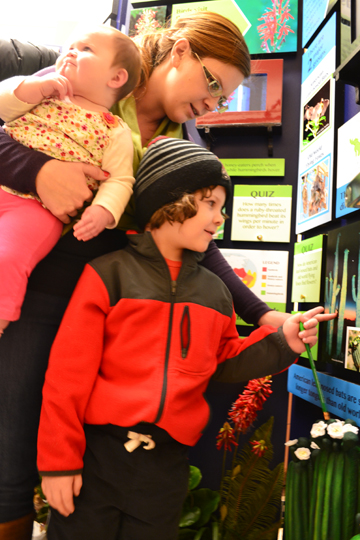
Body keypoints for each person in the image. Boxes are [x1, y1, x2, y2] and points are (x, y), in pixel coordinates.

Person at [0, 13, 288, 538]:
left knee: (88, 462)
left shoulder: (188, 140)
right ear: (178, 50)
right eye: (212, 85)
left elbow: (198, 244)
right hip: (36, 287)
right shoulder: (80, 65)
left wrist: (261, 313)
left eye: (222, 98)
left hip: (110, 307)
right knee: (11, 447)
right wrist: (38, 171)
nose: (212, 103)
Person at [37, 137, 335, 540]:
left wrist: (282, 342)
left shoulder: (215, 291)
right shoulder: (108, 274)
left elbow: (225, 360)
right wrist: (59, 462)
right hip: (96, 458)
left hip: (167, 467)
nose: (219, 217)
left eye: (222, 207)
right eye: (210, 203)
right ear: (169, 201)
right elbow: (66, 376)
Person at [0, 25, 141, 335]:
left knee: (8, 258)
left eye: (86, 49)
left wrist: (104, 210)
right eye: (69, 47)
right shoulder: (43, 91)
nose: (71, 52)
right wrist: (32, 88)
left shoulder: (115, 131)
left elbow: (119, 180)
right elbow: (3, 104)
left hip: (37, 209)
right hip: (7, 177)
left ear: (116, 78)